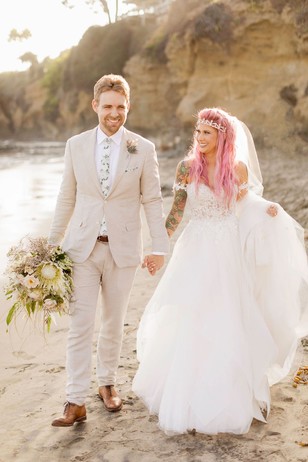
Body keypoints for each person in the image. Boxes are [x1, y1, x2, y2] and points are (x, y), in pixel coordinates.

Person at [133, 107, 308, 435]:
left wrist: (267, 209)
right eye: (197, 132)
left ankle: (231, 389)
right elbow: (176, 213)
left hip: (227, 250)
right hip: (196, 247)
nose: (199, 138)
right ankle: (187, 385)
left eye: (206, 133)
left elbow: (245, 203)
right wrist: (158, 247)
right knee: (192, 313)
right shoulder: (186, 169)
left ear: (222, 137)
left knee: (227, 314)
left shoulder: (237, 169)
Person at [48, 74, 169, 427]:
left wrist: (159, 245)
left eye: (120, 106)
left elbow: (152, 199)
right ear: (95, 106)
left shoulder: (143, 148)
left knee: (114, 322)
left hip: (124, 249)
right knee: (80, 325)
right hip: (81, 249)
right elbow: (66, 197)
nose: (114, 113)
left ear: (128, 106)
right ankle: (74, 400)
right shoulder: (75, 145)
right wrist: (50, 245)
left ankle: (107, 383)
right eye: (108, 106)